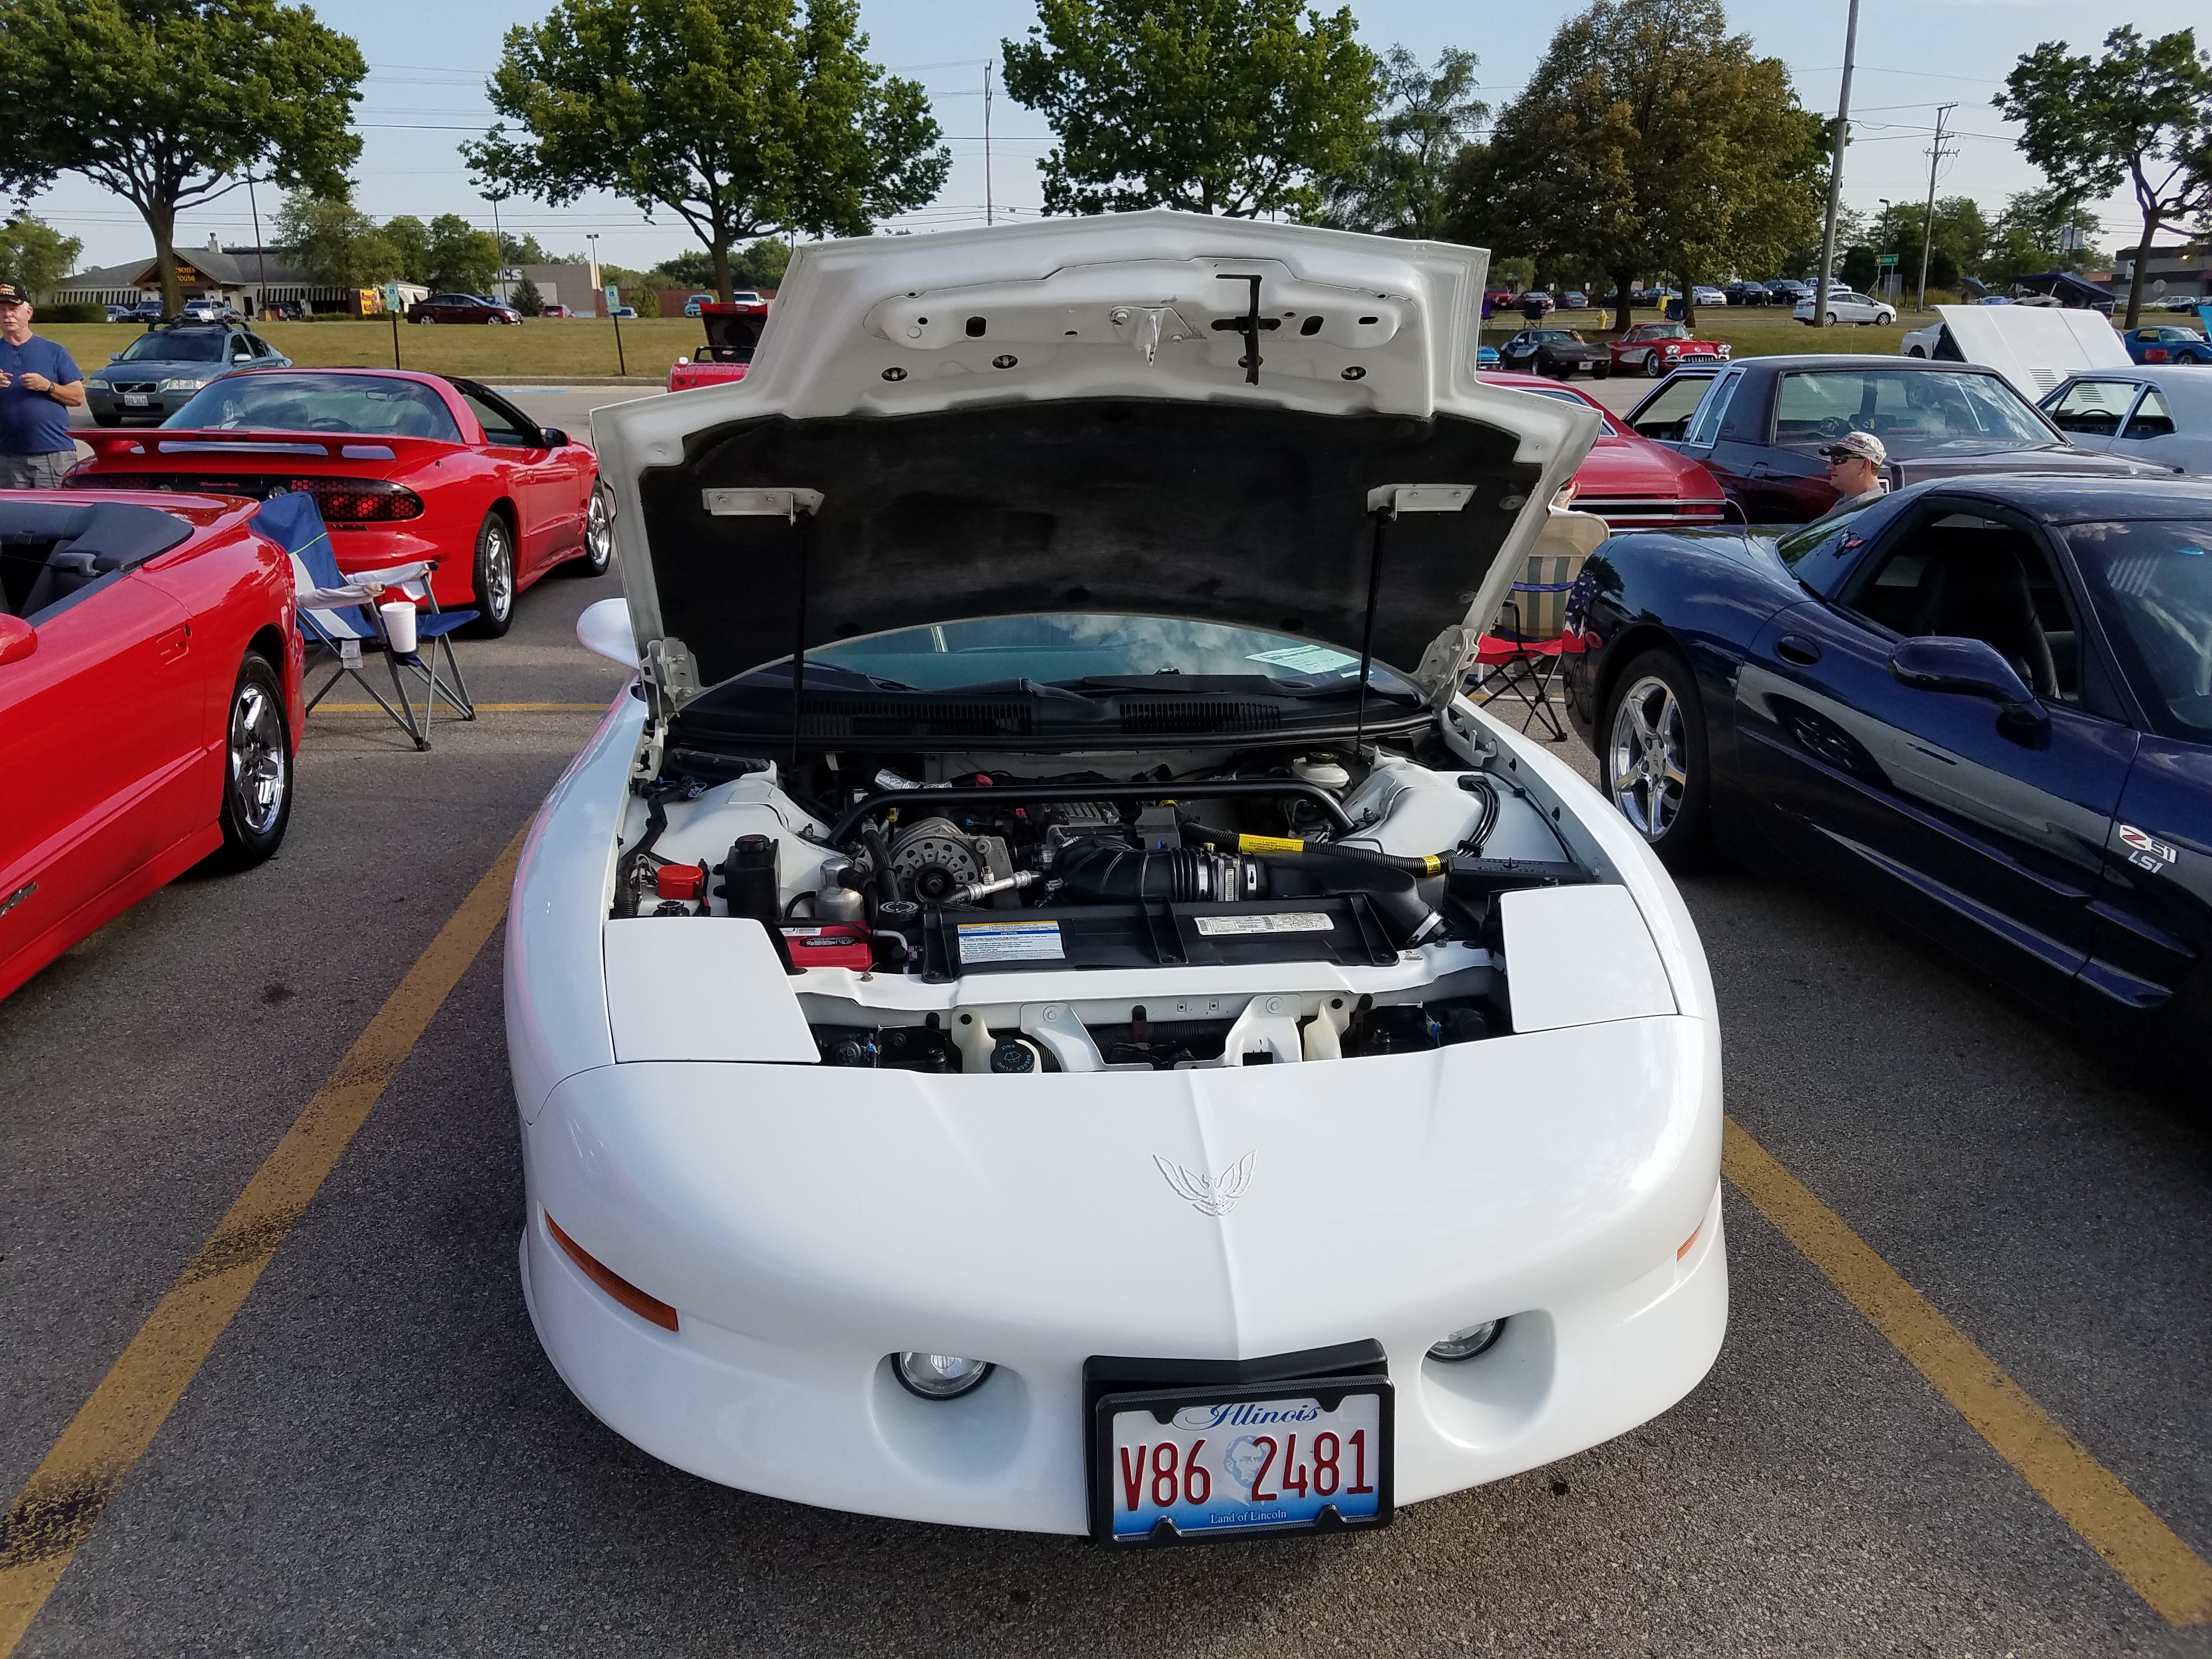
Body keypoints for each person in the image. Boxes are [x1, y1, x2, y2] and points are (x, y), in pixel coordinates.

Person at [0, 281, 86, 489]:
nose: (7, 315)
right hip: (6, 459)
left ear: (29, 313)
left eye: (13, 309)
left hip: (54, 455)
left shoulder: (53, 351)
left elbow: (77, 397)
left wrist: (48, 386)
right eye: (2, 310)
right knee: (12, 511)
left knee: (55, 509)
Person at [1816, 430, 1889, 516]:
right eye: (1832, 459)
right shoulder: (1855, 504)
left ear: (1864, 465)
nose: (1829, 467)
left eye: (1839, 460)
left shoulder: (1863, 510)